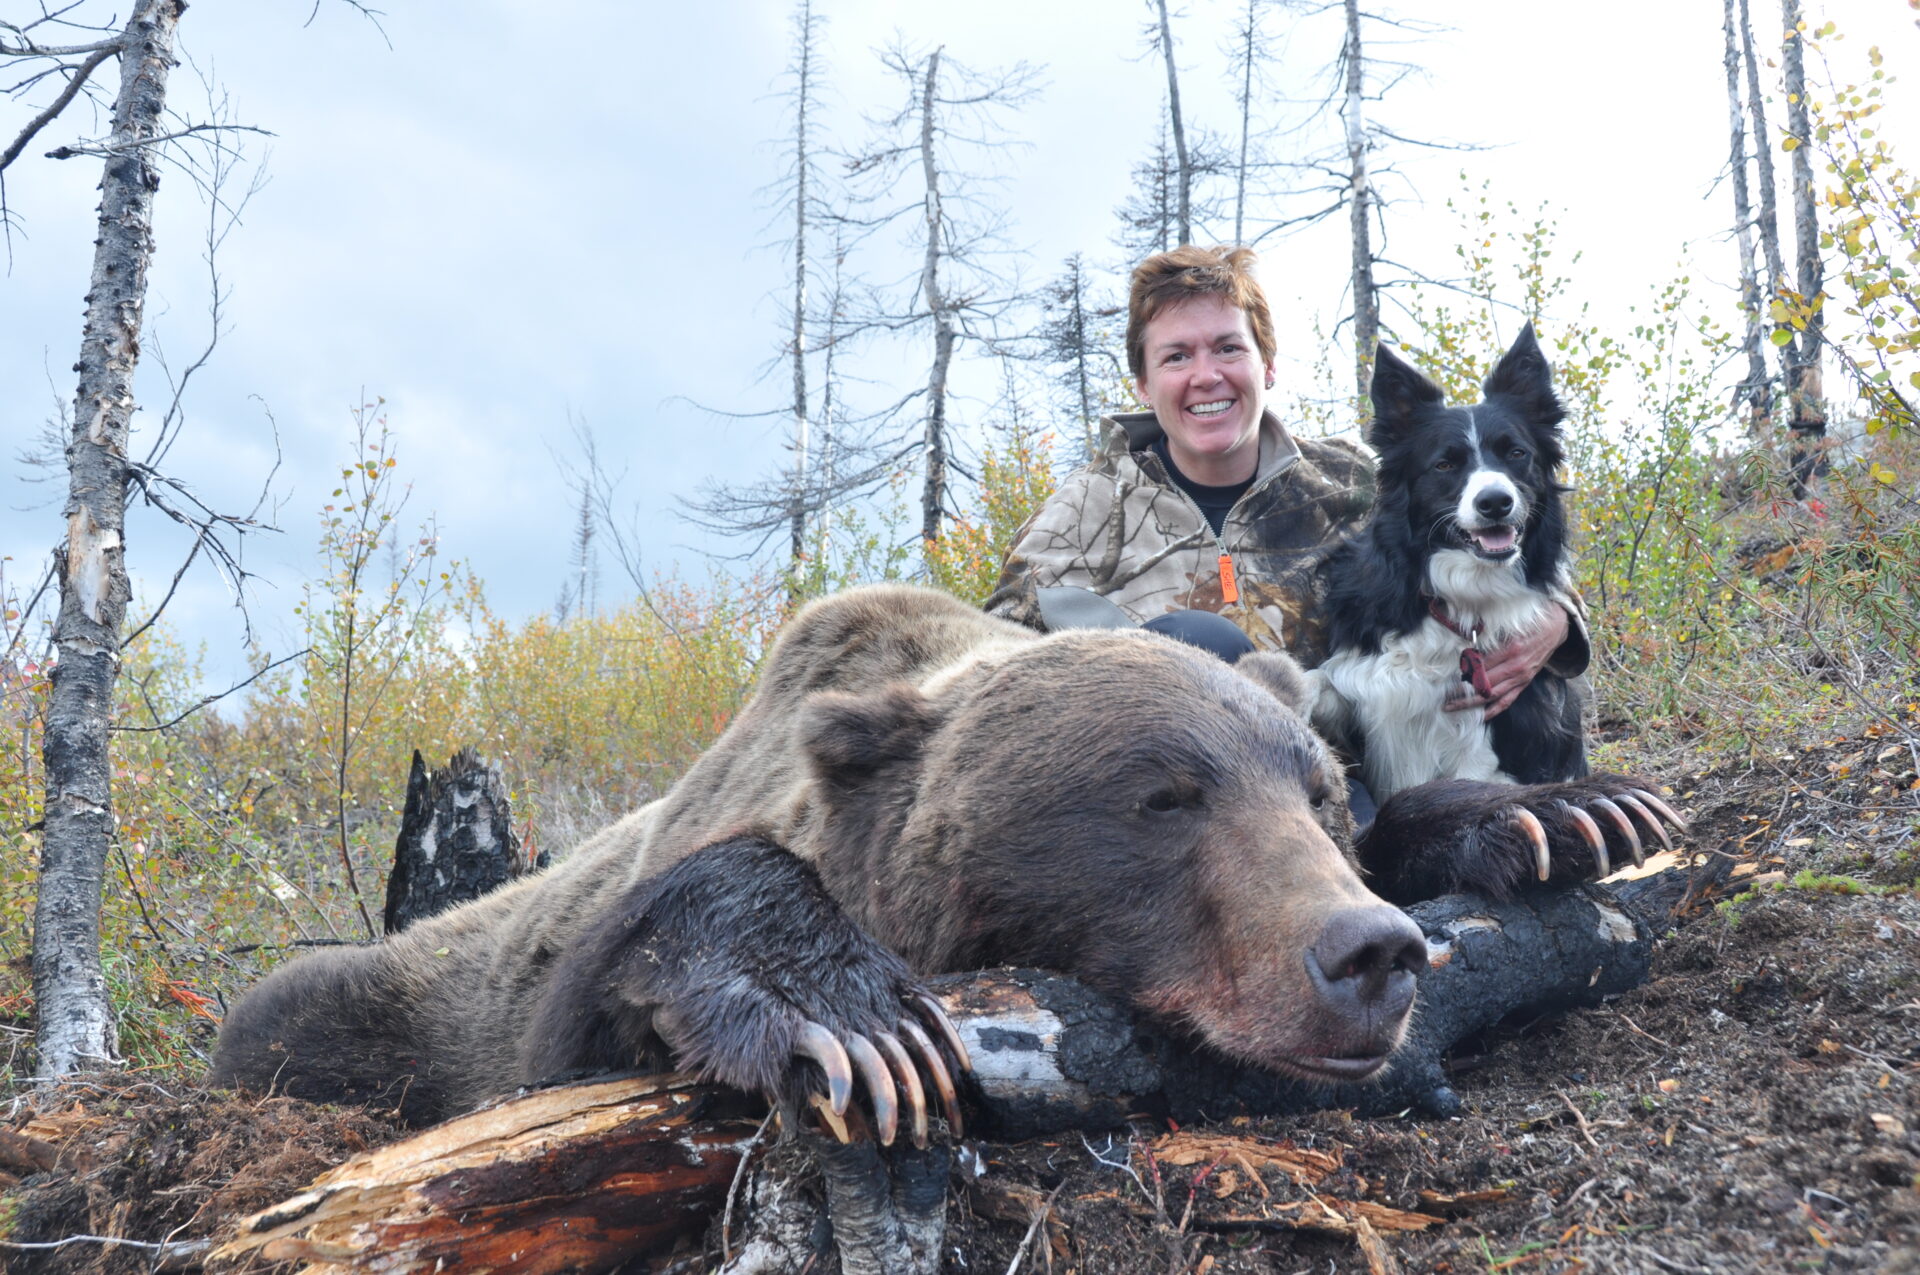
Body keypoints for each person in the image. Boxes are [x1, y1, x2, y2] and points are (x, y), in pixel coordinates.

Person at [986, 243, 1586, 727]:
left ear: (1266, 365)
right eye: (1176, 357)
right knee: (1190, 640)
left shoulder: (1352, 478)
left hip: (1342, 775)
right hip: (1177, 799)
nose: (1206, 376)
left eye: (1228, 348)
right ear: (1143, 384)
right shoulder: (1082, 513)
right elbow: (992, 654)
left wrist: (1558, 623)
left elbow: (1506, 548)